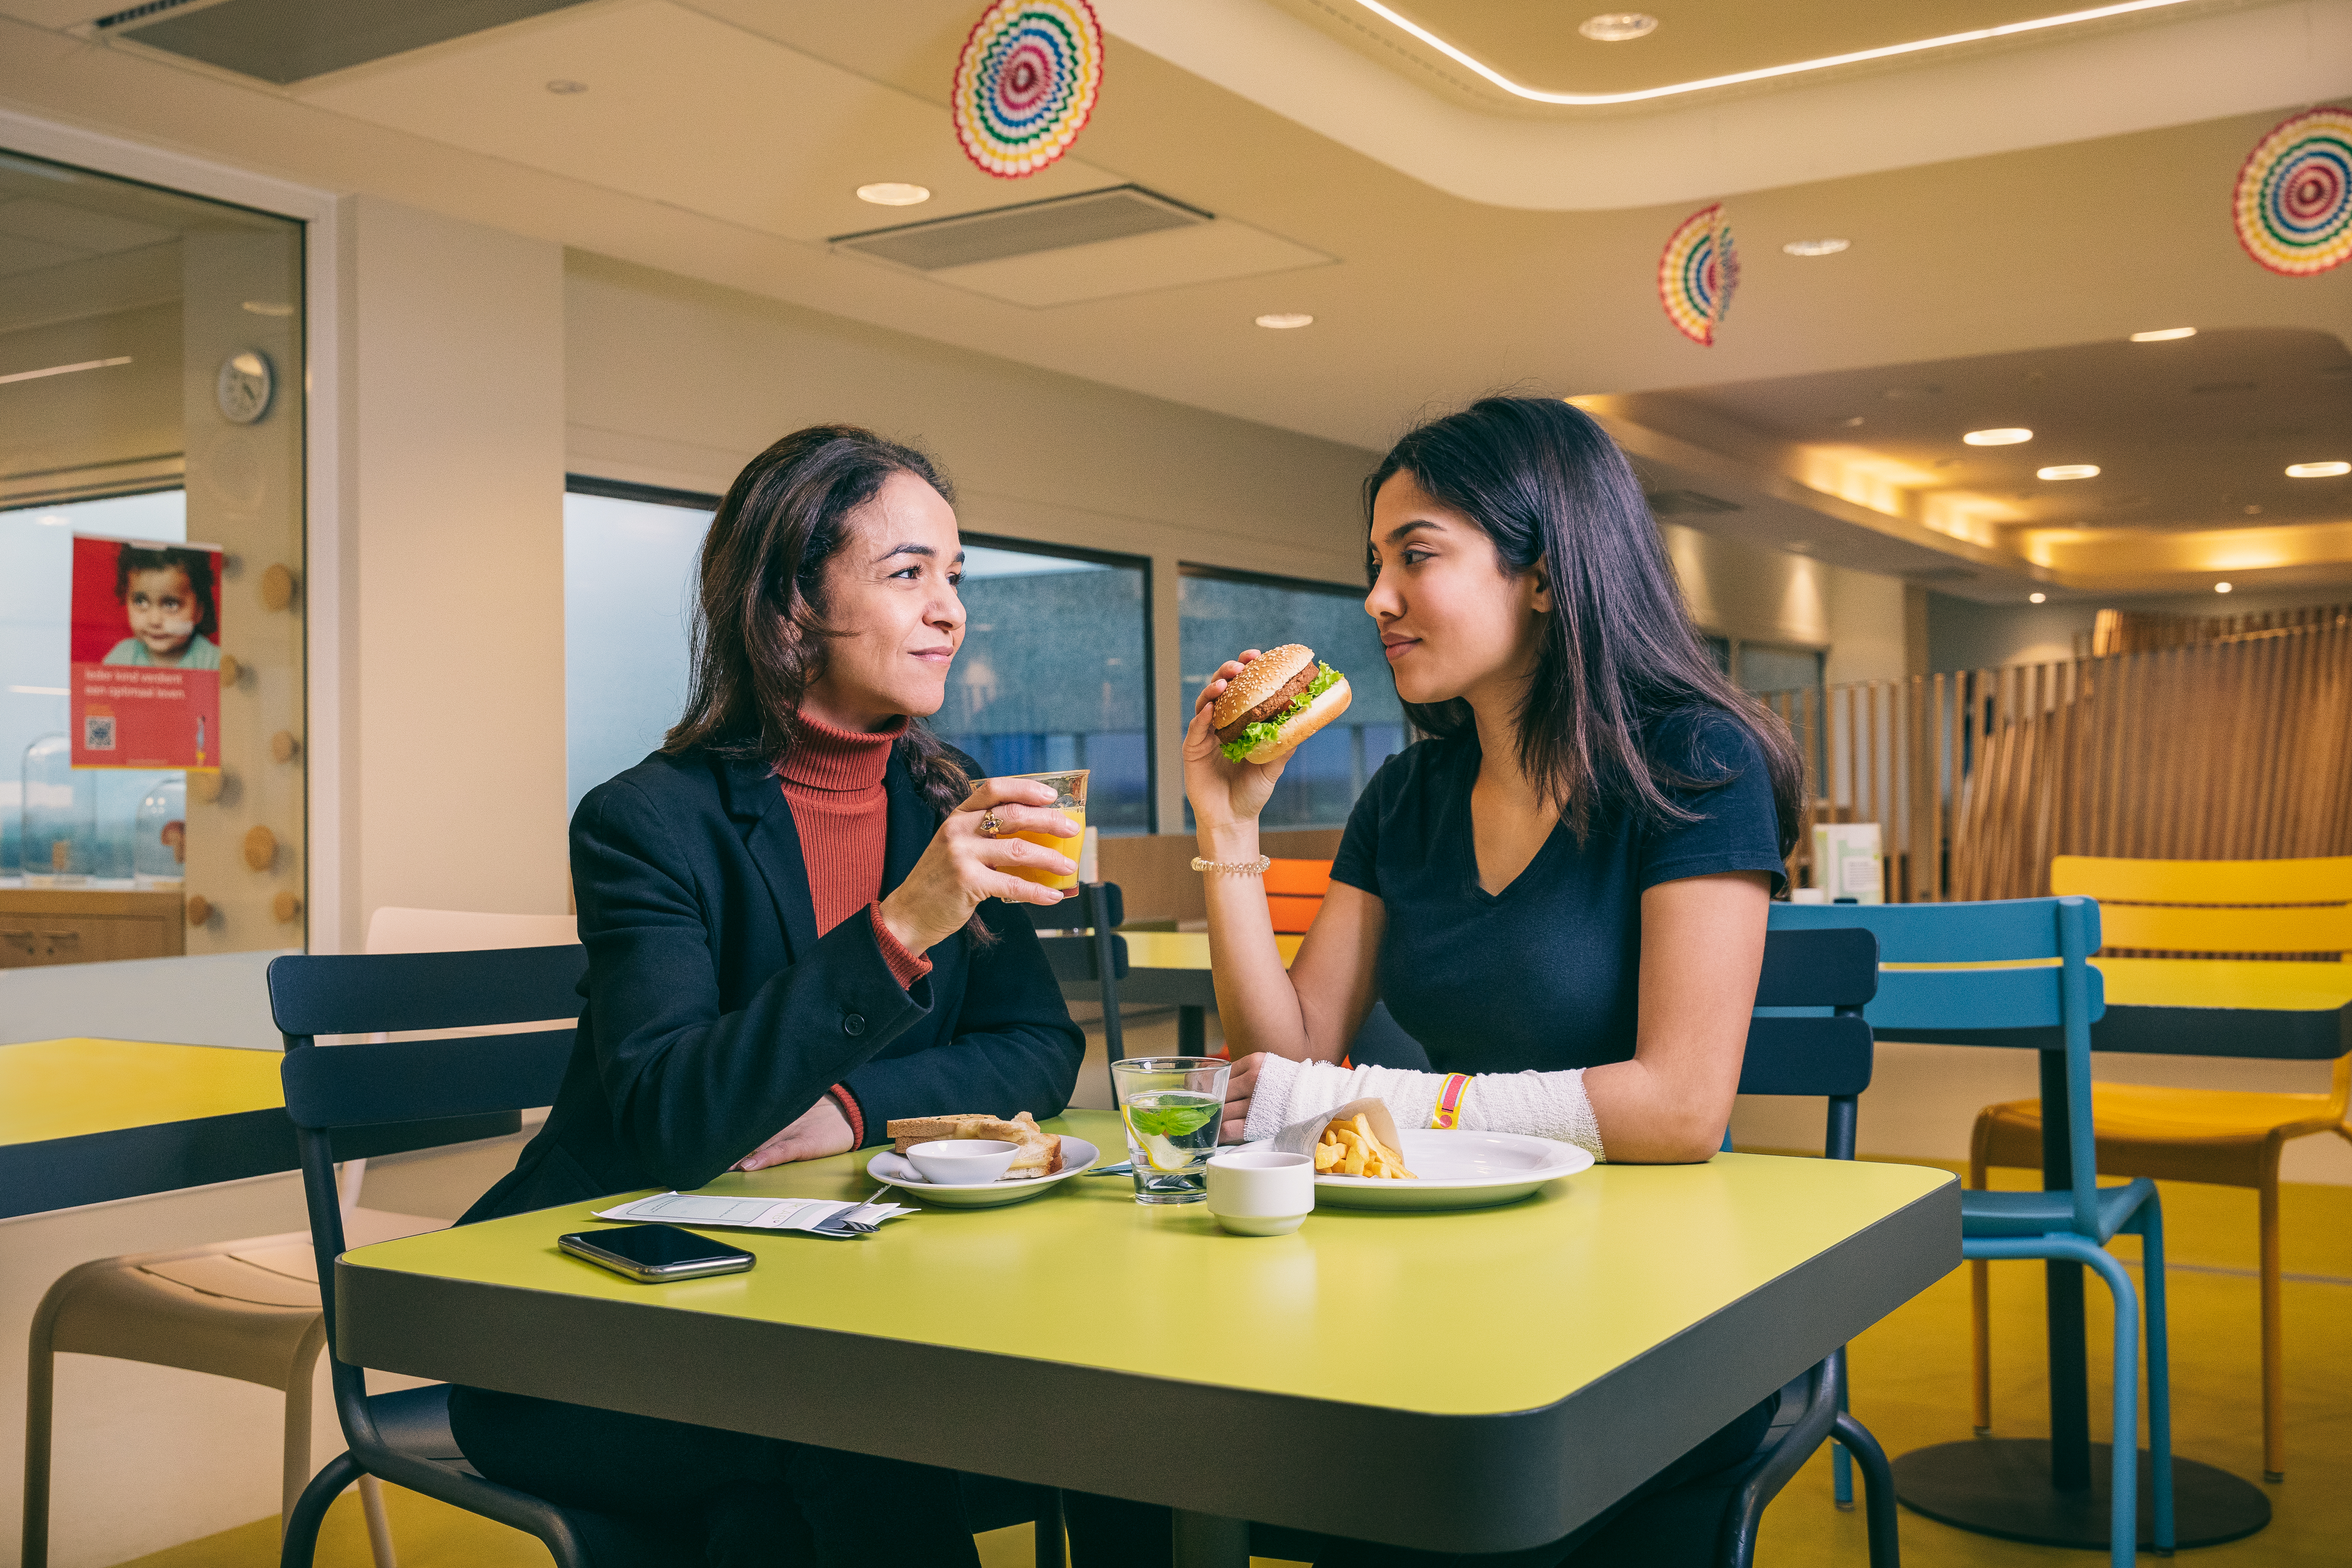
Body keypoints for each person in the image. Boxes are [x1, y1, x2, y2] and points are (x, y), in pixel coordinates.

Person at [449, 425, 1087, 1567]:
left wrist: (846, 1106)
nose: (947, 609)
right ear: (791, 603)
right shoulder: (646, 822)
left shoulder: (940, 803)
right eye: (907, 573)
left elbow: (1038, 1046)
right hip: (582, 1330)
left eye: (954, 575)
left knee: (809, 1494)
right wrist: (899, 925)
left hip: (821, 1306)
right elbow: (674, 1117)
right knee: (859, 1434)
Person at [1187, 396, 1807, 1567]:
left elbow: (1680, 1108)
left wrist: (1379, 1103)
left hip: (1644, 1323)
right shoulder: (1404, 799)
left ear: (1543, 573)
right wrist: (1228, 826)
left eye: (1415, 555)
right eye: (1374, 564)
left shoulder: (1694, 760)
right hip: (1442, 1280)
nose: (1376, 598)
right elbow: (1293, 1048)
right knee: (1188, 1454)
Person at [102, 545, 222, 668]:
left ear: (198, 611)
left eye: (171, 604)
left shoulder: (213, 662)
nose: (155, 621)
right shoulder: (121, 658)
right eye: (141, 602)